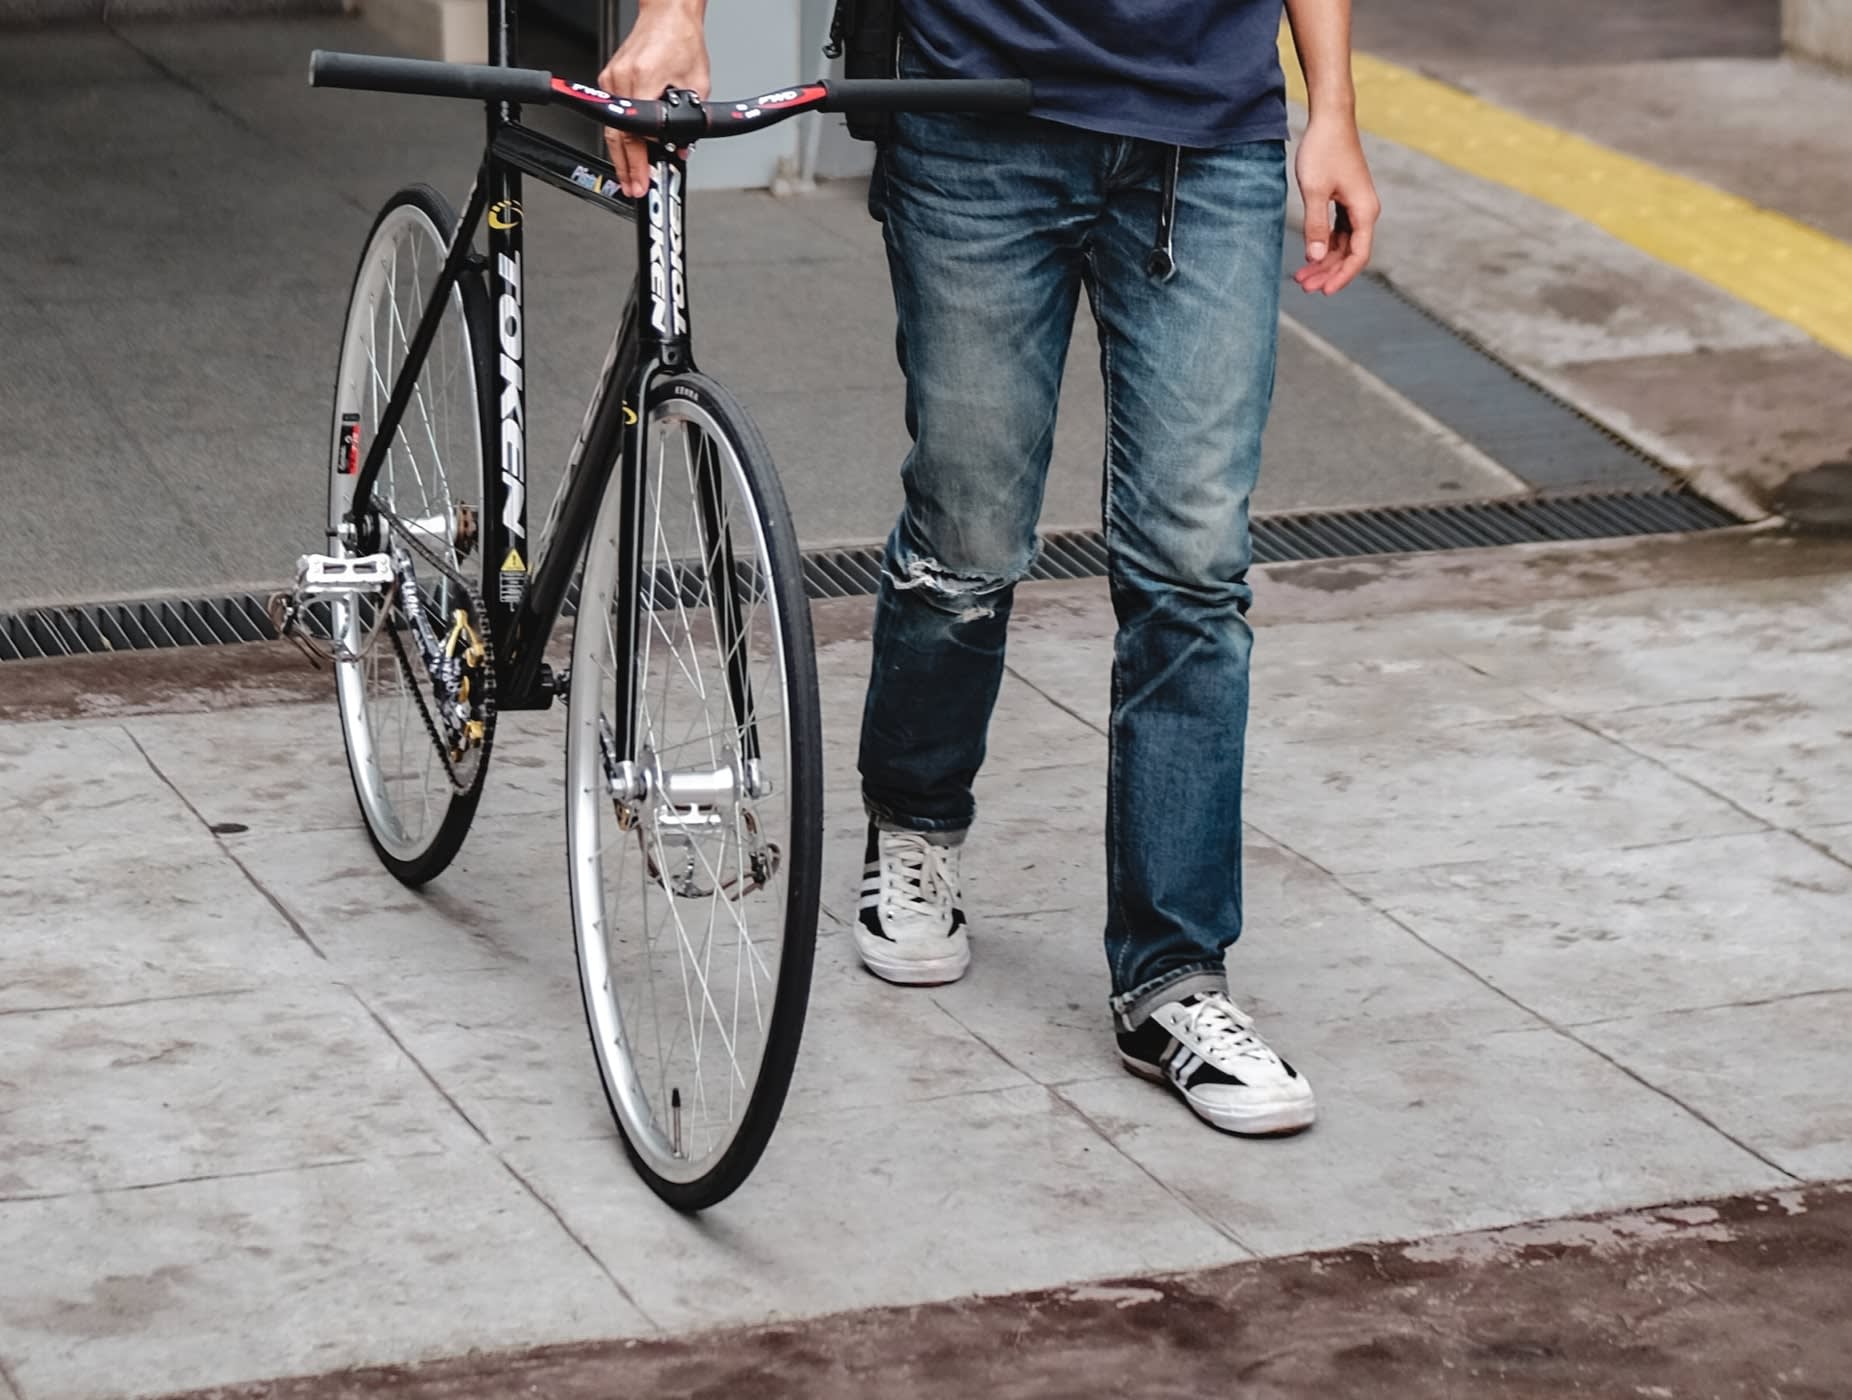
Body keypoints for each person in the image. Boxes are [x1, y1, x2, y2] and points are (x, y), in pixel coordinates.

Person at [601, 0, 1380, 1137]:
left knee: (1194, 569)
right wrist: (674, 12)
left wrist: (1333, 108)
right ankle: (914, 825)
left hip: (1207, 134)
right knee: (967, 534)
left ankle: (1174, 977)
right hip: (972, 116)